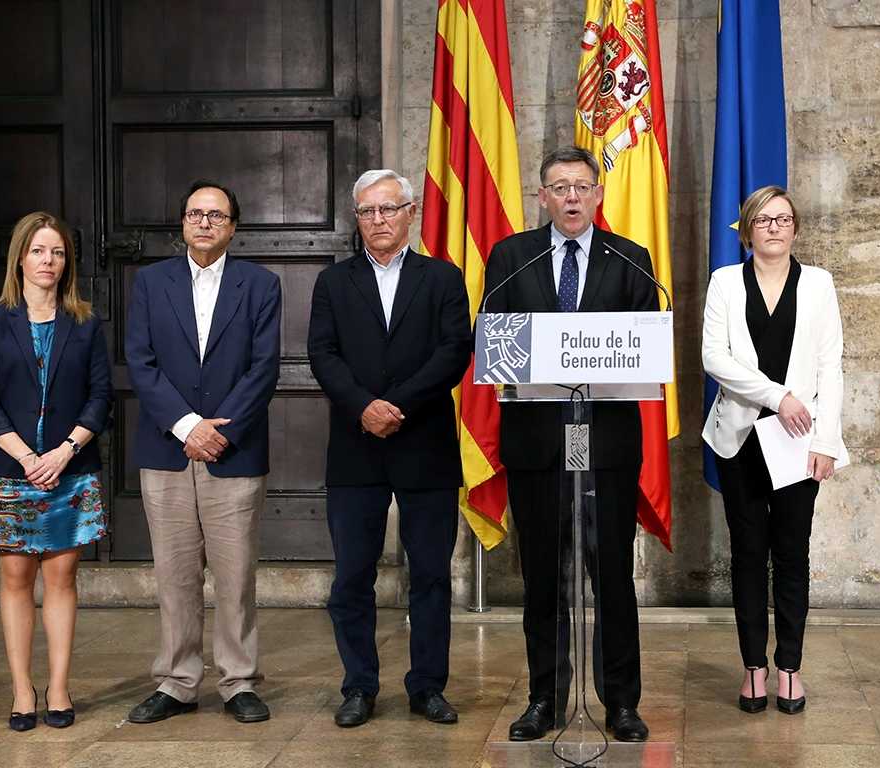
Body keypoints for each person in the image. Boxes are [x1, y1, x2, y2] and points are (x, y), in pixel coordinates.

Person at [483, 146, 655, 743]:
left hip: (605, 445)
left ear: (598, 194)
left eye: (582, 186)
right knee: (543, 579)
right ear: (543, 197)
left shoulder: (630, 259)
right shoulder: (512, 257)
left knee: (612, 578)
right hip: (537, 444)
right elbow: (494, 341)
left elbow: (644, 347)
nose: (572, 197)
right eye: (560, 188)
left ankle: (622, 702)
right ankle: (544, 698)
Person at [307, 169, 470, 728]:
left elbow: (454, 351)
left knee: (430, 575)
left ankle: (428, 687)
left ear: (410, 212)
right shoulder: (334, 282)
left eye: (388, 209)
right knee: (352, 576)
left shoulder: (442, 278)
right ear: (357, 218)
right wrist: (365, 407)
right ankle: (359, 686)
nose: (378, 220)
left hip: (424, 443)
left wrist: (395, 405)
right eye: (367, 211)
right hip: (355, 448)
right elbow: (322, 354)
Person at [124, 180, 282, 724]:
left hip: (233, 451)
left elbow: (263, 367)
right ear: (183, 223)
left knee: (236, 576)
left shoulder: (260, 284)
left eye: (216, 216)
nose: (205, 223)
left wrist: (219, 433)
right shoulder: (150, 283)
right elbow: (140, 361)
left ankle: (239, 682)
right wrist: (188, 426)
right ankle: (177, 681)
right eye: (196, 214)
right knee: (174, 575)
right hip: (167, 450)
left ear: (233, 226)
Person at [700, 186, 847, 715]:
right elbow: (715, 358)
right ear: (747, 229)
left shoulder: (818, 283)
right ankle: (753, 668)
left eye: (783, 219)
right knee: (747, 553)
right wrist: (776, 396)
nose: (774, 228)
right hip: (739, 439)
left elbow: (831, 365)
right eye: (763, 220)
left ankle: (789, 667)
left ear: (796, 228)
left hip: (800, 440)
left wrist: (827, 440)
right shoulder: (725, 282)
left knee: (791, 553)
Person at [0, 212, 112, 731]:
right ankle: (21, 689)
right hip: (10, 468)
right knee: (15, 578)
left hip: (70, 467)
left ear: (66, 261)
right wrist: (28, 457)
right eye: (38, 251)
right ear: (20, 258)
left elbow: (101, 397)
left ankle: (58, 687)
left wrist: (64, 451)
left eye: (57, 252)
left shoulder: (86, 322)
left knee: (62, 577)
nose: (48, 260)